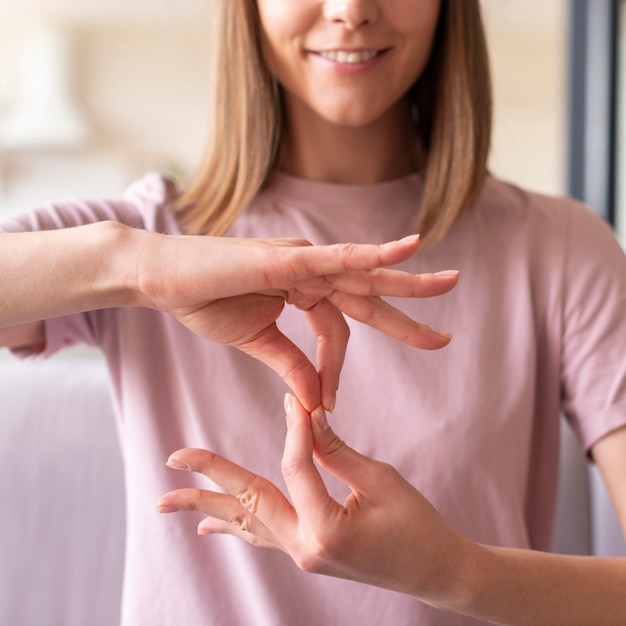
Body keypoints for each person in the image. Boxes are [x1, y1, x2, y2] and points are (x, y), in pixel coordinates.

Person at [2, 0, 626, 625]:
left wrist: (452, 572)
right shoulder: (150, 241)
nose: (352, 10)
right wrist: (132, 268)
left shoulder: (561, 250)